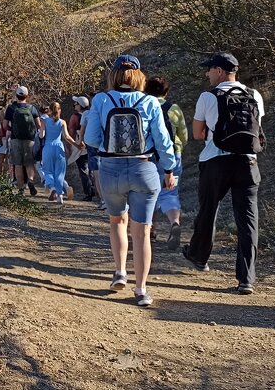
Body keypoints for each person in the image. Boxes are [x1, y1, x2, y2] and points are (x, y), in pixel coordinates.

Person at [84, 54, 175, 307]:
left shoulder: (101, 100)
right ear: (138, 75)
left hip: (110, 170)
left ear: (114, 74)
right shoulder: (150, 101)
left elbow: (91, 139)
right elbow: (163, 140)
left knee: (117, 221)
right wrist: (169, 169)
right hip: (143, 169)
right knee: (142, 231)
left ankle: (119, 272)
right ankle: (141, 289)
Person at [182, 52, 265, 295]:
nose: (207, 74)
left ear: (219, 71)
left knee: (208, 210)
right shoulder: (255, 95)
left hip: (215, 161)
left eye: (209, 69)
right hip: (248, 162)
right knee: (248, 220)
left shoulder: (208, 96)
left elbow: (197, 134)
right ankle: (246, 278)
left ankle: (199, 256)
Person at [145, 76, 188, 249]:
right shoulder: (174, 109)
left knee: (149, 194)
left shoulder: (144, 106)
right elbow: (183, 135)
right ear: (166, 92)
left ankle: (151, 231)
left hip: (149, 157)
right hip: (172, 156)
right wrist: (178, 149)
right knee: (170, 193)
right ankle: (174, 223)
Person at [5, 87, 40, 196]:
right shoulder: (32, 108)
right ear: (27, 95)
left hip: (16, 139)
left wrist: (13, 130)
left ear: (16, 95)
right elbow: (38, 125)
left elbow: (5, 125)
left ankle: (20, 188)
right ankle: (30, 180)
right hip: (30, 140)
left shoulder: (11, 108)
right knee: (29, 163)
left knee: (18, 164)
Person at [40, 102, 72, 204]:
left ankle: (52, 186)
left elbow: (41, 135)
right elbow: (66, 137)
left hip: (48, 147)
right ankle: (60, 196)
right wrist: (76, 144)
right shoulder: (62, 122)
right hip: (59, 147)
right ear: (60, 110)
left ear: (49, 110)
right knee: (60, 172)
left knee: (47, 170)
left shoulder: (45, 121)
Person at [68, 96, 96, 201]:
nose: (74, 105)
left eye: (76, 104)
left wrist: (71, 145)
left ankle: (88, 192)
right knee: (91, 169)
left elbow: (71, 132)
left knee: (83, 169)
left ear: (80, 105)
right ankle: (93, 189)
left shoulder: (75, 117)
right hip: (91, 144)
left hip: (80, 145)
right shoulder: (92, 114)